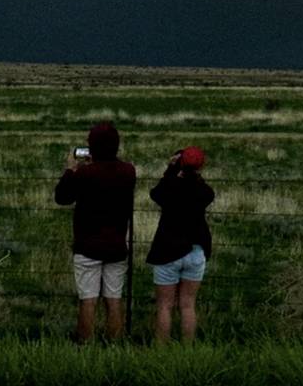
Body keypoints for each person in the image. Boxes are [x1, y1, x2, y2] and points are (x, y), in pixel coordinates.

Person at [54, 122, 136, 342]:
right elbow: (111, 173)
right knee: (114, 299)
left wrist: (71, 170)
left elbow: (62, 197)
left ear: (92, 147)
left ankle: (85, 346)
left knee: (88, 300)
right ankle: (114, 345)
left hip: (87, 244)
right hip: (117, 244)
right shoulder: (128, 171)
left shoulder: (84, 174)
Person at [146, 146, 214, 345]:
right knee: (187, 305)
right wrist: (196, 175)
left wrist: (170, 170)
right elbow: (207, 192)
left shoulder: (170, 188)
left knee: (165, 306)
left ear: (179, 164)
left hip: (168, 249)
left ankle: (161, 351)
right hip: (195, 250)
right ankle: (187, 349)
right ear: (201, 167)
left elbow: (156, 194)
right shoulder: (204, 191)